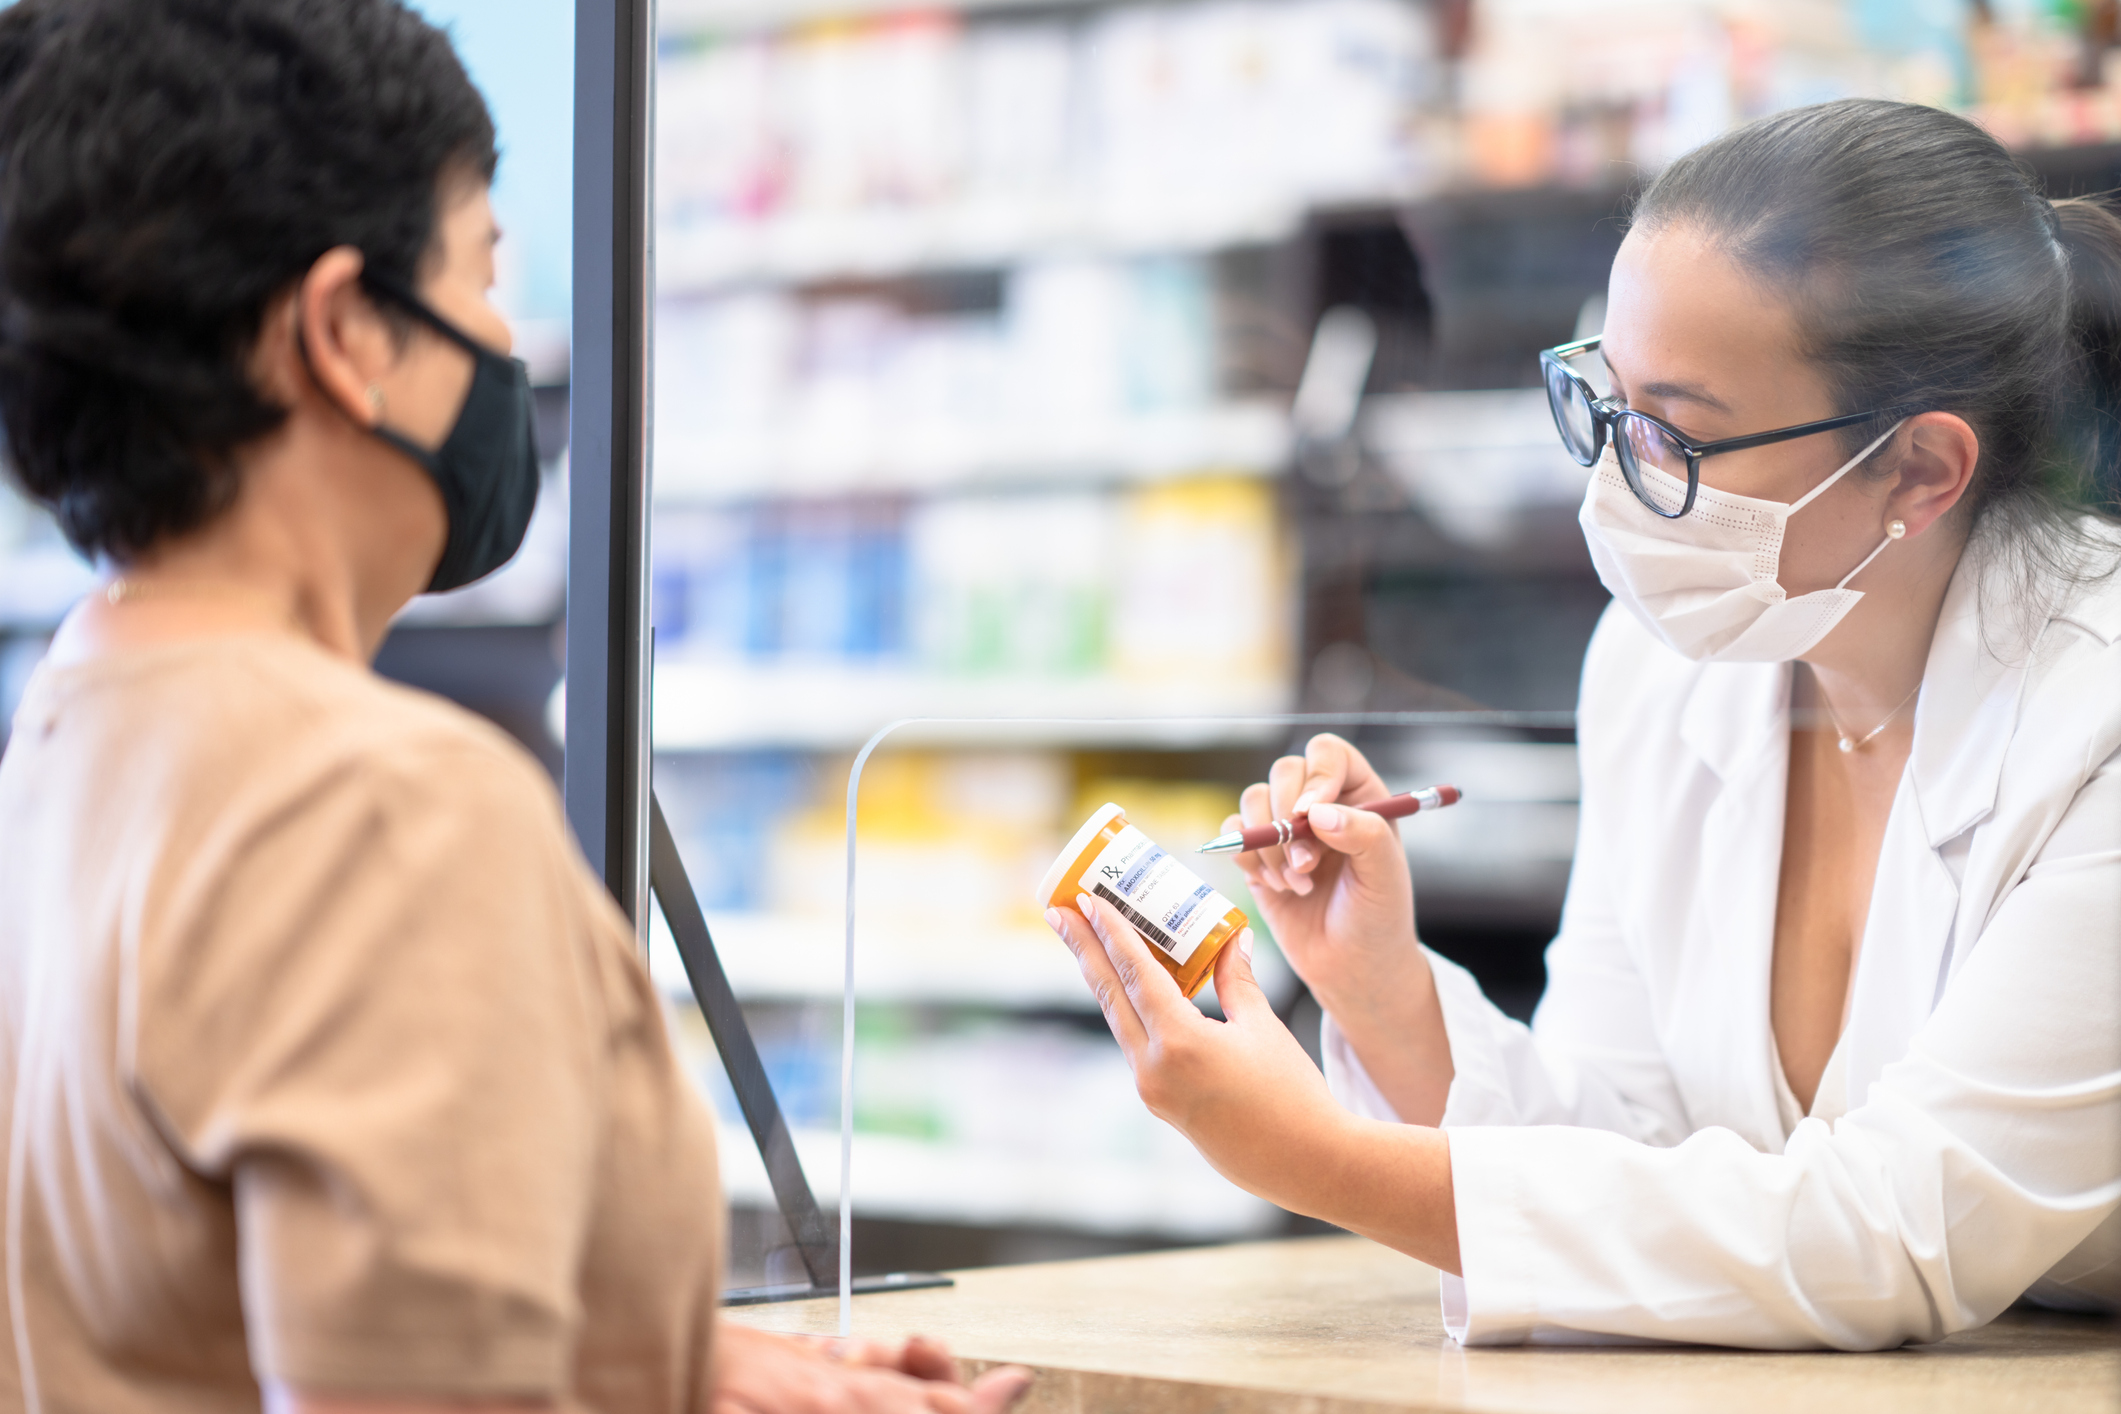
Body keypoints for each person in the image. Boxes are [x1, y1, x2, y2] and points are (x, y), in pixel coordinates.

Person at [0, 3, 1030, 1411]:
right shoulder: (376, 810)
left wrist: (673, 1364)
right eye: (486, 271)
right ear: (348, 329)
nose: (505, 335)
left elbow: (189, 1308)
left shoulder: (76, 725)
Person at [1045, 97, 2121, 1350]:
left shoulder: (2093, 717)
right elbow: (1638, 1153)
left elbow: (1888, 1232)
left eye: (1676, 433)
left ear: (1921, 470)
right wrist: (1383, 987)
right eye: (1604, 407)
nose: (1612, 485)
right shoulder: (1671, 671)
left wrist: (1321, 1164)